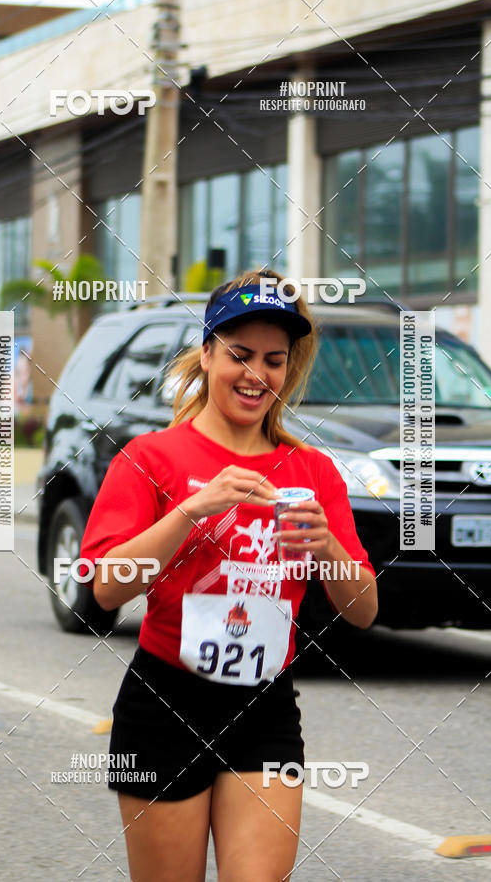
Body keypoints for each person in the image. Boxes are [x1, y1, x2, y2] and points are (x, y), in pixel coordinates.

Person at [80, 269, 378, 881]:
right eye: (239, 354)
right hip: (164, 706)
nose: (255, 374)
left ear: (288, 370)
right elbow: (105, 588)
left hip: (266, 709)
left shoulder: (314, 470)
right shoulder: (152, 458)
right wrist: (192, 509)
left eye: (274, 359)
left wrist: (327, 548)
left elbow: (363, 610)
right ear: (208, 353)